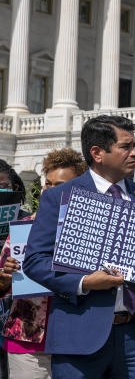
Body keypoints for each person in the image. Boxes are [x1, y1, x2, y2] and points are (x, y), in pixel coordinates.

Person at [23, 115, 135, 379]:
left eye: (134, 145)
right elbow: (35, 261)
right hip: (80, 336)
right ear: (98, 153)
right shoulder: (59, 197)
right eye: (126, 147)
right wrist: (85, 282)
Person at [0, 149, 86, 379]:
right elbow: (0, 287)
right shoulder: (22, 227)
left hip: (74, 342)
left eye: (59, 185)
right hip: (26, 341)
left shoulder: (88, 231)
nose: (50, 190)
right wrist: (6, 277)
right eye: (47, 183)